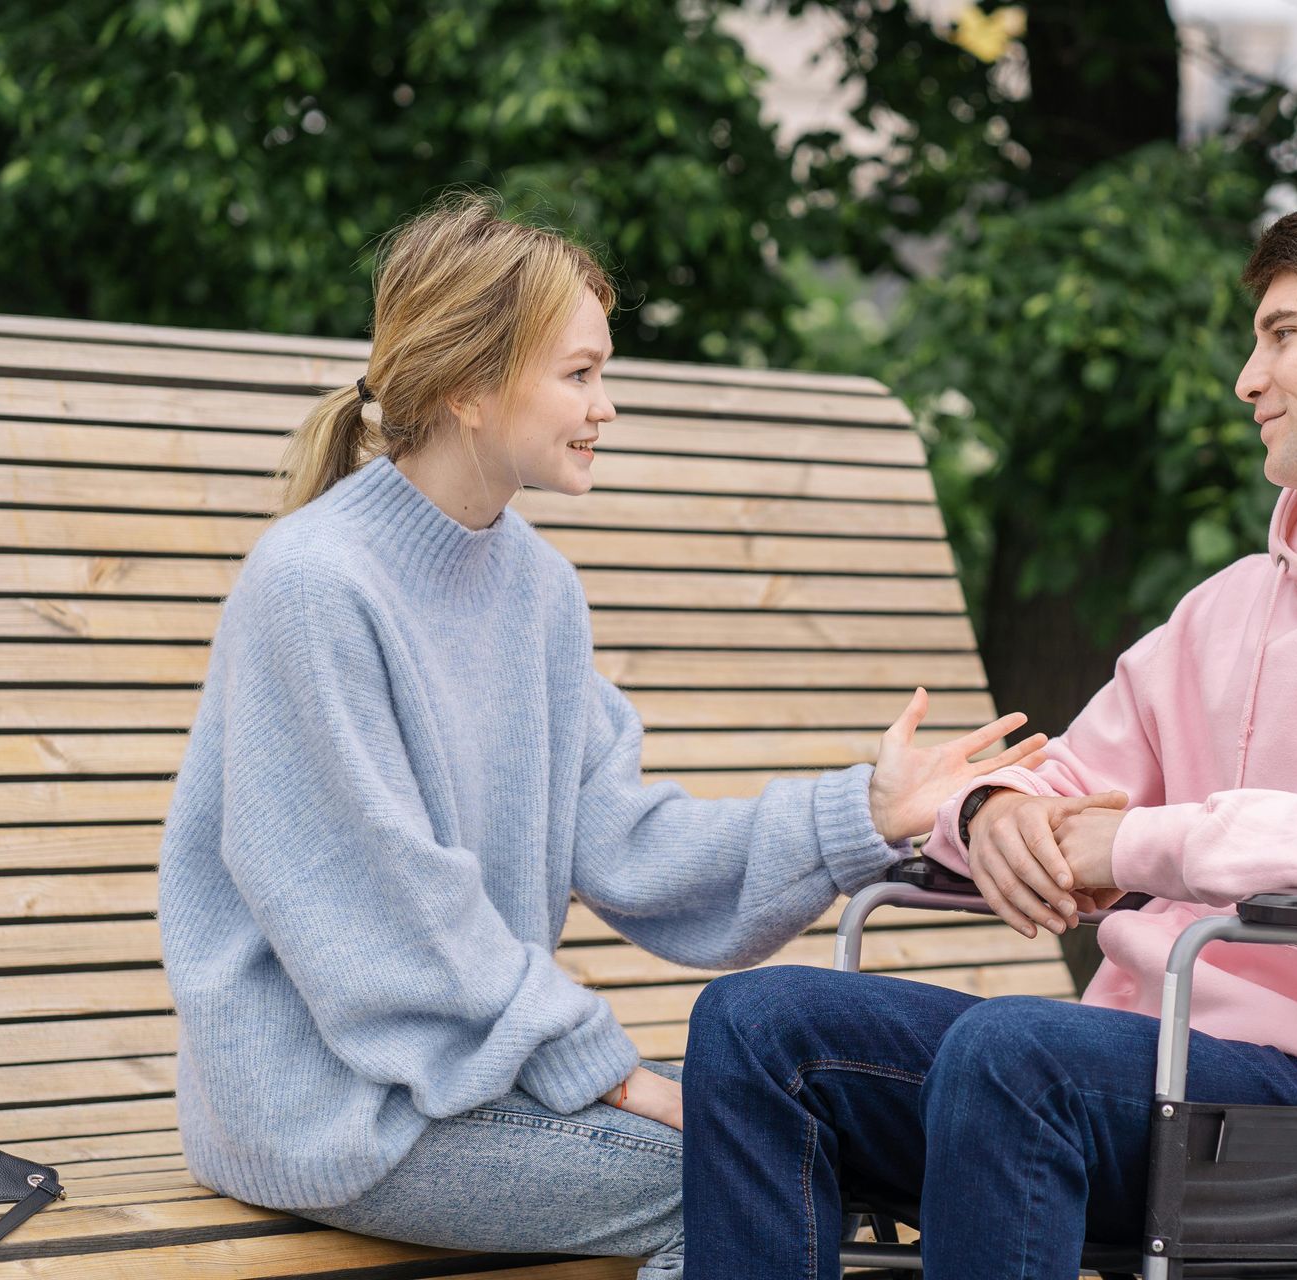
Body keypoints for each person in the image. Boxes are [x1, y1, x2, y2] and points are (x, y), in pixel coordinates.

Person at [680, 183, 1297, 1278]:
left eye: (1282, 334)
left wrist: (1152, 844)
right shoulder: (1233, 605)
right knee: (757, 1025)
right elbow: (1065, 784)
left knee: (1018, 1055)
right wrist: (992, 807)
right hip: (1155, 1055)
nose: (1249, 378)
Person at [155, 193, 1048, 1279]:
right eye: (578, 374)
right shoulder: (314, 585)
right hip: (333, 1105)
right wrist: (610, 1071)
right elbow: (383, 918)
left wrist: (855, 811)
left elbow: (626, 841)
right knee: (748, 1176)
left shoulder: (535, 585)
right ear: (471, 387)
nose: (606, 405)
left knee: (799, 1149)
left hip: (466, 1074)